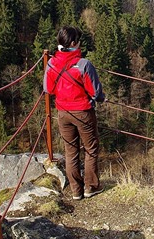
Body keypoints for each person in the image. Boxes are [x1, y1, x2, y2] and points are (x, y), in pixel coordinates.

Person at [43, 26, 106, 200]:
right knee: (91, 149)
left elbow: (48, 89)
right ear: (73, 43)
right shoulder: (83, 64)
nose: (80, 43)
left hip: (63, 112)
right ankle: (90, 187)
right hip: (83, 112)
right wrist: (101, 98)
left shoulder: (51, 64)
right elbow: (95, 93)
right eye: (78, 40)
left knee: (70, 152)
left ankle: (76, 191)